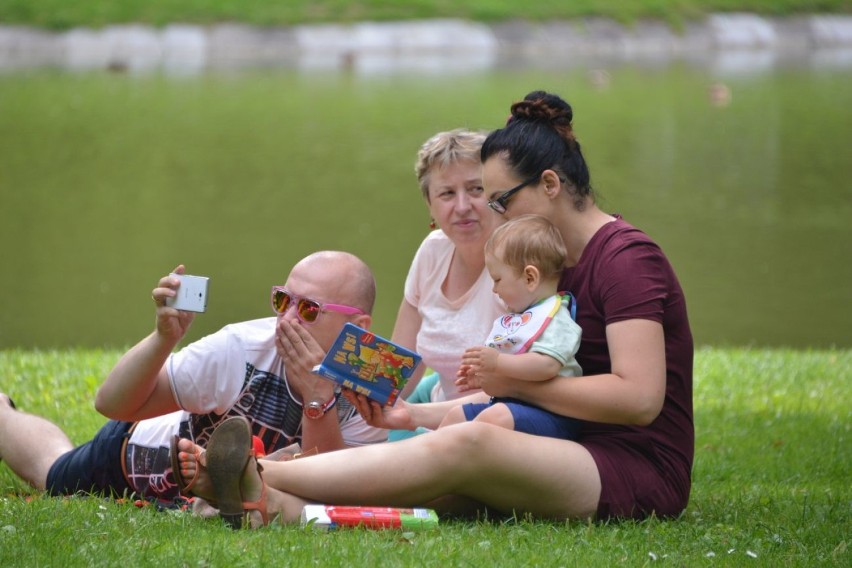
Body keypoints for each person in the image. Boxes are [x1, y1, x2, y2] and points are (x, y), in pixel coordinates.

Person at [175, 90, 694, 527]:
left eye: (498, 200)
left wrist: (514, 381)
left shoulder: (625, 259)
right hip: (555, 444)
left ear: (551, 185)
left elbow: (639, 399)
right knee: (442, 482)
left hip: (632, 466)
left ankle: (255, 473)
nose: (489, 214)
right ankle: (265, 503)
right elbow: (464, 378)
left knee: (470, 442)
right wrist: (389, 404)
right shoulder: (549, 263)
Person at [0, 251, 386, 507]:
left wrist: (319, 398)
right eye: (284, 301)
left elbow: (333, 492)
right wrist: (163, 338)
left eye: (309, 309)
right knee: (50, 472)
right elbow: (112, 404)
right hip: (133, 455)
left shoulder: (372, 389)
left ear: (357, 326)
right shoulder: (242, 347)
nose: (286, 321)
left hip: (215, 487)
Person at [438, 214, 582, 440]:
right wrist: (484, 374)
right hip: (511, 406)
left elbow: (546, 366)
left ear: (530, 278)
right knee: (456, 417)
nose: (494, 289)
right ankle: (430, 471)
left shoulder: (557, 320)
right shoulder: (520, 318)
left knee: (493, 419)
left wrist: (498, 362)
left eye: (497, 279)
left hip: (553, 415)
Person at [392, 128, 505, 405]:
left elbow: (521, 389)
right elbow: (399, 365)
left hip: (496, 419)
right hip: (436, 406)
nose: (463, 206)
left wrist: (415, 418)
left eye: (476, 189)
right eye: (447, 194)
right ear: (430, 204)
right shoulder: (433, 250)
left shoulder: (517, 256)